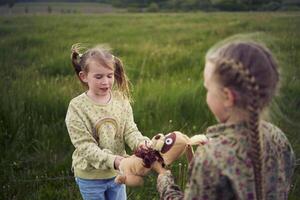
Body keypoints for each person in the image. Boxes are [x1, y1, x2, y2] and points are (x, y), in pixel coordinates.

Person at [151, 39, 295, 200]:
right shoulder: (279, 138)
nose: (206, 95)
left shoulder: (211, 158)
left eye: (207, 89)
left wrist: (164, 178)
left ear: (227, 96)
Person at [65, 44, 150, 200]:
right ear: (84, 76)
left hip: (117, 173)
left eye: (109, 76)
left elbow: (130, 130)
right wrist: (114, 161)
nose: (105, 82)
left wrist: (142, 145)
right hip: (90, 176)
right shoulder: (77, 107)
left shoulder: (121, 101)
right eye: (99, 77)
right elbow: (85, 146)